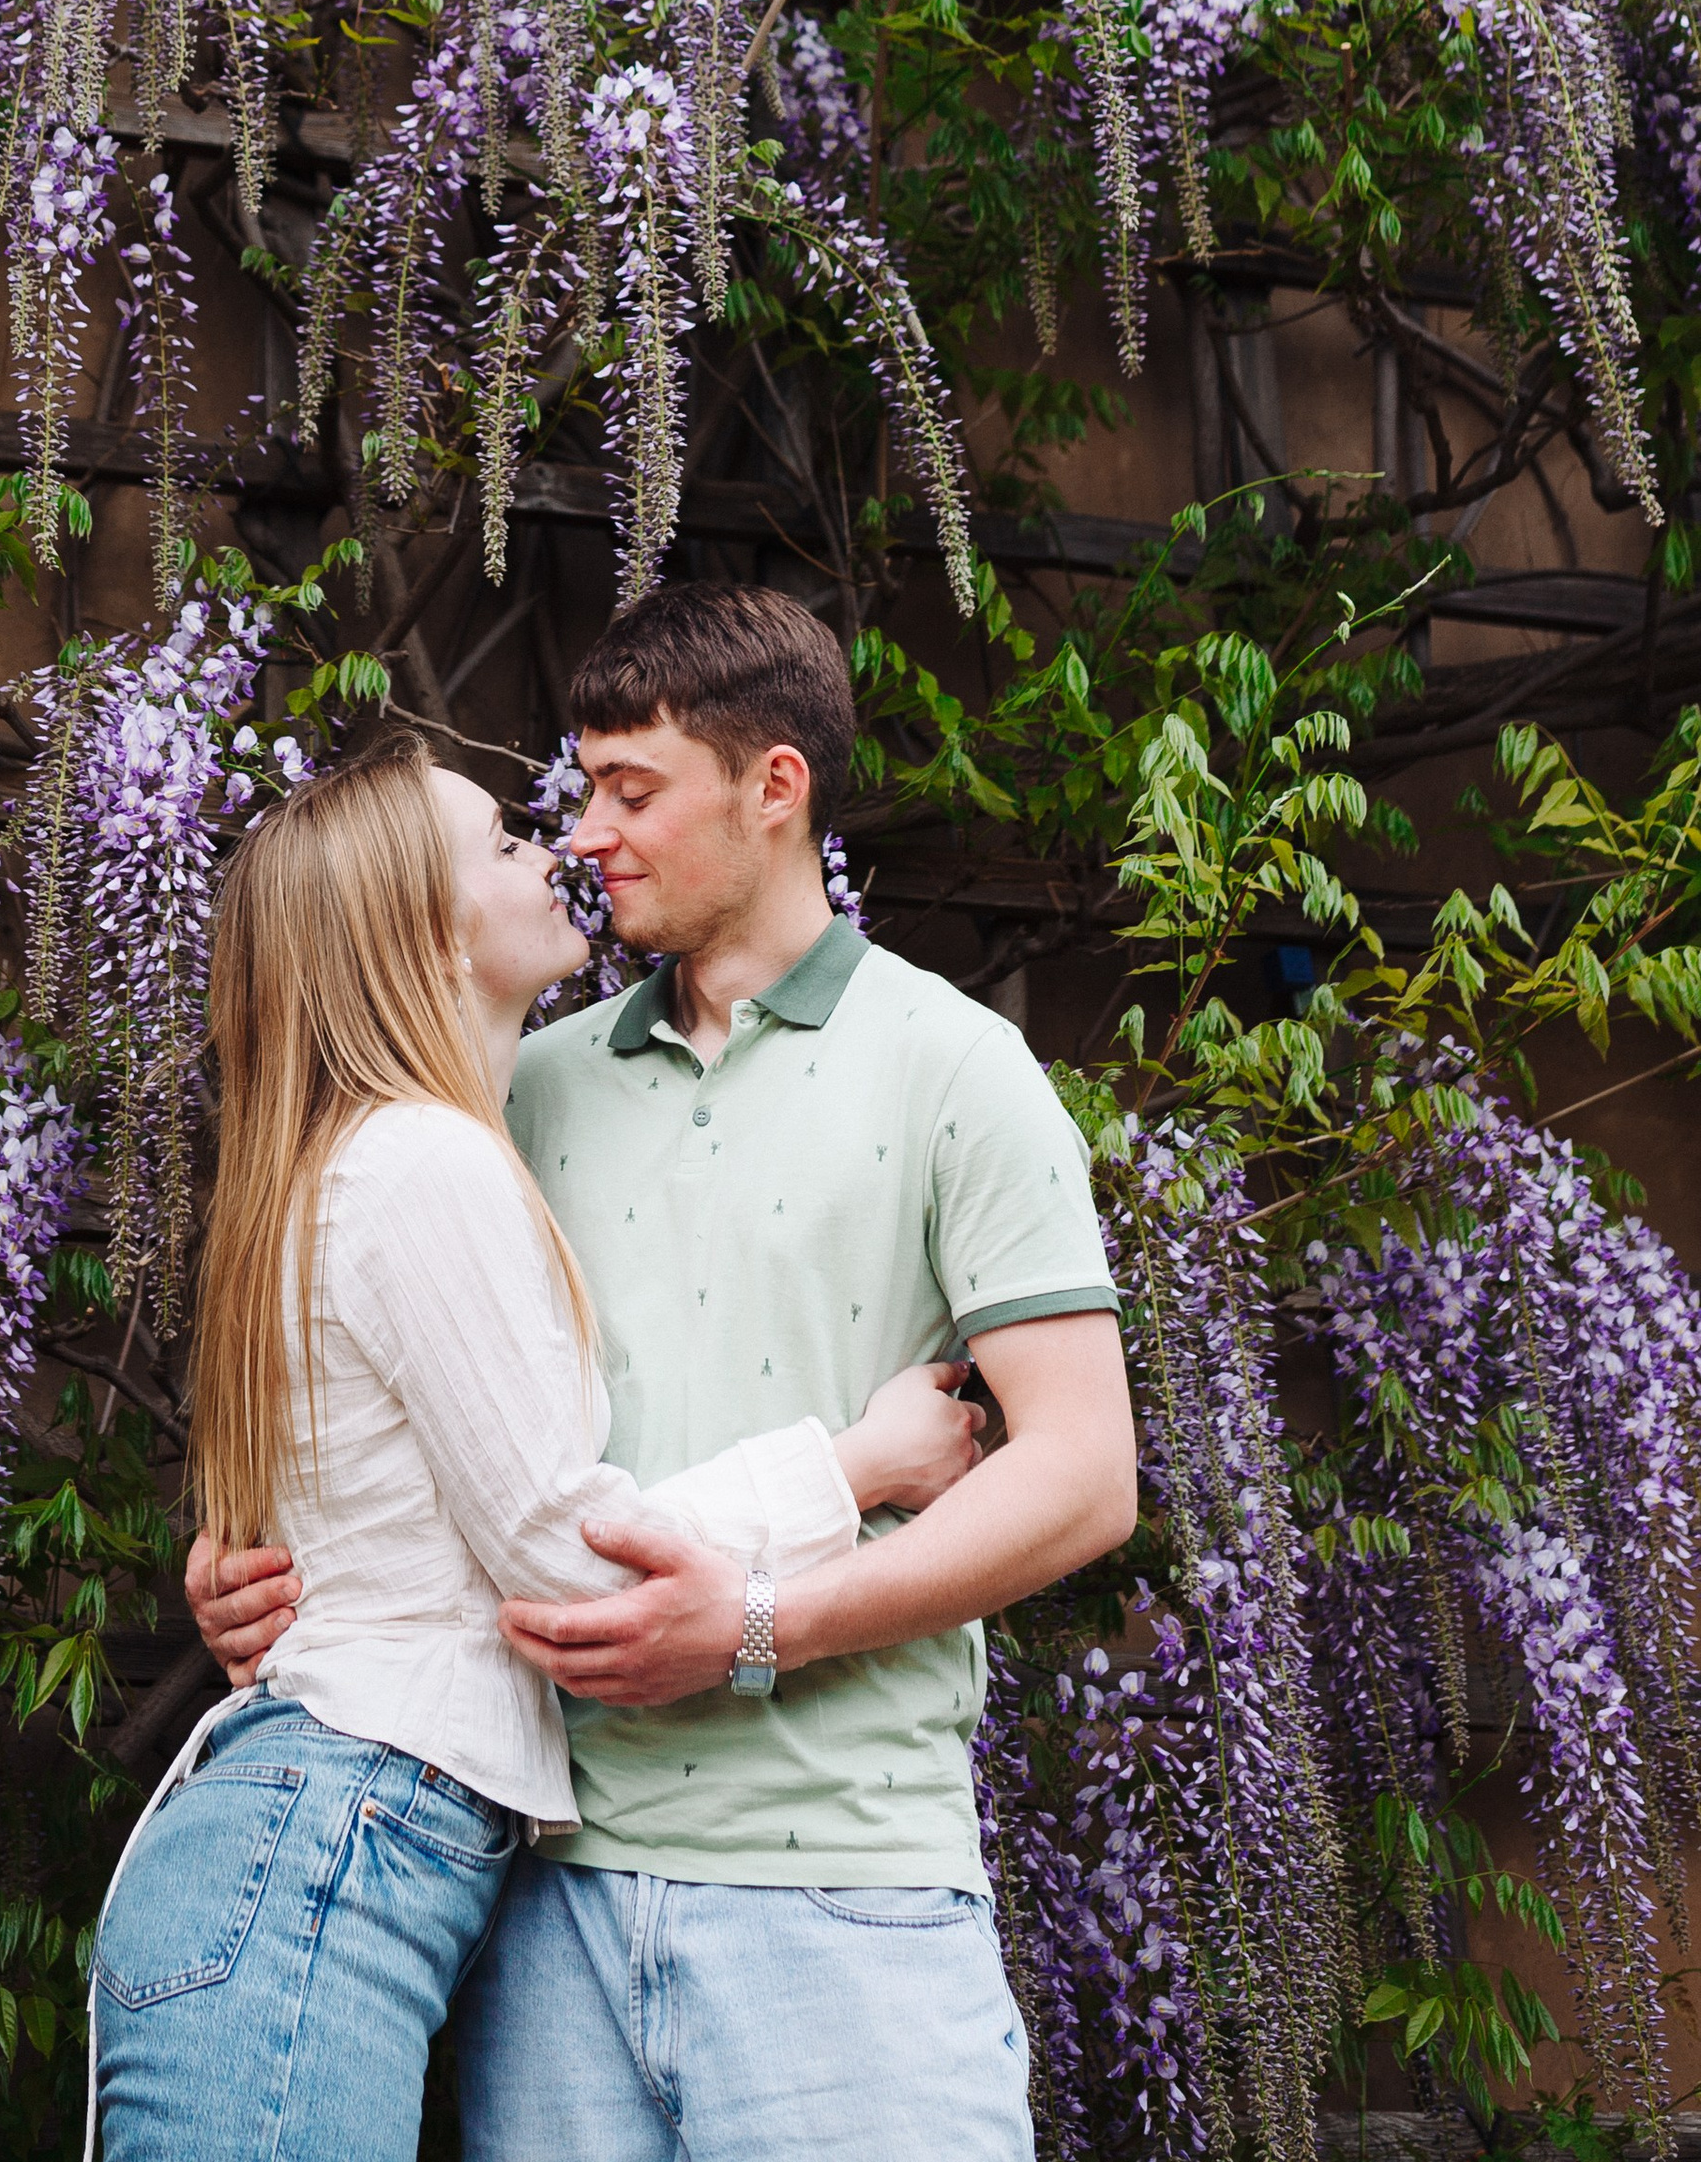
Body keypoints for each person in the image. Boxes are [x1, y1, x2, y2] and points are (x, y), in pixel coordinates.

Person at [189, 584, 1139, 2162]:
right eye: (580, 789)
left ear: (776, 789)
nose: (586, 831)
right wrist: (261, 1548)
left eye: (633, 791)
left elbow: (1083, 1475)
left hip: (844, 1889)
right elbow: (392, 1384)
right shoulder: (516, 1089)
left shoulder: (956, 1063)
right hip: (545, 1901)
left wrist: (758, 1625)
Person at [94, 733, 985, 2162]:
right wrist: (858, 1466)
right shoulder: (424, 1162)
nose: (561, 843)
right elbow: (569, 1558)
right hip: (314, 1853)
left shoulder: (388, 1153)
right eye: (507, 841)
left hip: (303, 1855)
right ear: (423, 930)